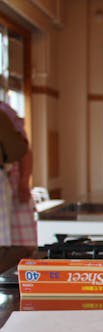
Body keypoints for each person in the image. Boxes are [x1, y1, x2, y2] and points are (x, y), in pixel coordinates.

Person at [0, 101, 36, 246]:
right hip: (6, 180)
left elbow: (23, 151)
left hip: (8, 180)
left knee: (13, 244)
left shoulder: (3, 112)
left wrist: (23, 184)